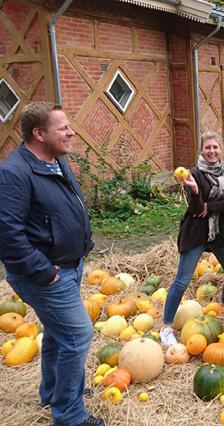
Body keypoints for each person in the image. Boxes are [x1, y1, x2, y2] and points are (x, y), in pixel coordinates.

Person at [0, 102, 103, 426]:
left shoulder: (55, 161)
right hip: (45, 273)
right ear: (39, 133)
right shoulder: (14, 173)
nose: (71, 131)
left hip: (68, 265)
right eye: (62, 127)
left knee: (59, 335)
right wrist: (44, 273)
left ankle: (54, 391)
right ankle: (69, 415)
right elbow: (7, 234)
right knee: (78, 335)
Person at [160, 131, 224, 345]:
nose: (212, 151)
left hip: (221, 232)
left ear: (220, 149)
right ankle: (166, 327)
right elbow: (196, 211)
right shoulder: (192, 174)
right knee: (182, 280)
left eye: (215, 147)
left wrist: (210, 206)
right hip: (196, 232)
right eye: (208, 148)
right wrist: (195, 191)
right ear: (201, 150)